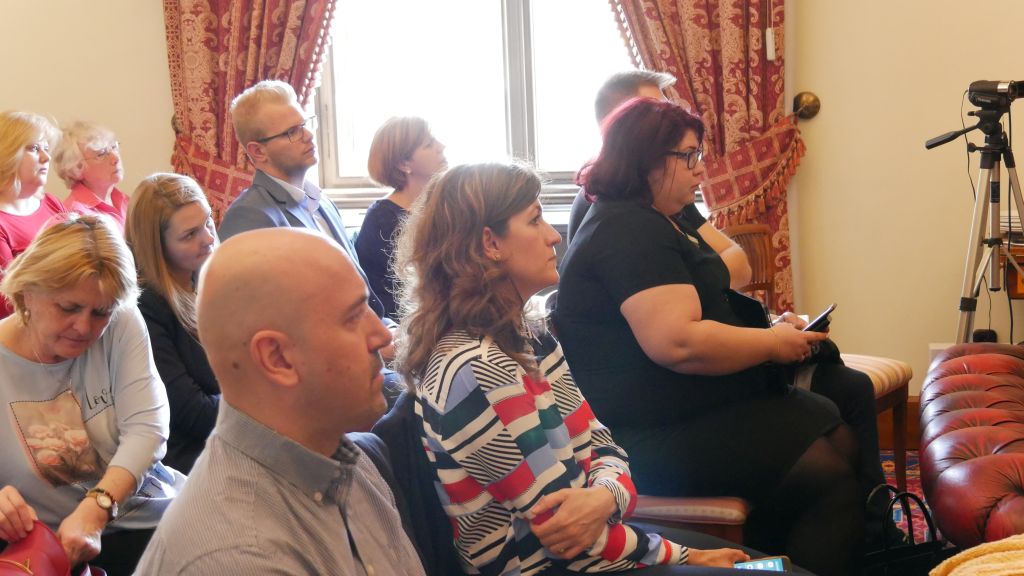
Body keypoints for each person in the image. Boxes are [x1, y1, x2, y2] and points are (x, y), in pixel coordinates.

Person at [395, 162, 755, 575]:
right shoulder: (474, 369)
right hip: (552, 567)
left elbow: (603, 446)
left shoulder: (529, 334)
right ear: (490, 243)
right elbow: (564, 534)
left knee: (772, 567)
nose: (553, 236)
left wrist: (605, 497)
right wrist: (684, 555)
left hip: (601, 546)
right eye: (535, 220)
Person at [554, 98, 865, 576]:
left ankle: (782, 560)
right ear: (647, 160)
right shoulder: (627, 229)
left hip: (682, 406)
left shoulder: (656, 216)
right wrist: (773, 344)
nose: (700, 169)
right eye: (689, 156)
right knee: (827, 473)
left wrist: (770, 332)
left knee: (833, 429)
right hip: (646, 433)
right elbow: (679, 344)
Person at [135, 228, 426, 575]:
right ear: (277, 358)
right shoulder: (239, 556)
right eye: (352, 318)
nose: (379, 335)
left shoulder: (344, 460)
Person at [0, 214, 183, 576]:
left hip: (146, 521)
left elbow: (147, 428)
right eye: (68, 308)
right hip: (46, 547)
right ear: (27, 292)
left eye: (100, 312)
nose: (84, 327)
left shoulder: (122, 321)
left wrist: (97, 507)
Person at [218, 80, 402, 402]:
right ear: (258, 152)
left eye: (305, 124)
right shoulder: (252, 218)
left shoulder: (321, 201)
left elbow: (359, 295)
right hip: (324, 377)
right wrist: (369, 347)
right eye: (292, 132)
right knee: (427, 399)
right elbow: (279, 328)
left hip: (370, 343)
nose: (308, 135)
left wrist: (391, 331)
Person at [125, 173, 219, 474]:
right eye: (190, 235)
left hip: (226, 434)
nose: (208, 238)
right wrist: (262, 403)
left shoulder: (205, 278)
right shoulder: (146, 307)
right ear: (156, 246)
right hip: (189, 457)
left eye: (208, 222)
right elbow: (191, 412)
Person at [566, 70, 677, 244]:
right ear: (621, 123)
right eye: (658, 114)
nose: (674, 122)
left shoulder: (658, 184)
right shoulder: (609, 202)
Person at [358, 116, 447, 319]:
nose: (442, 146)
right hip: (404, 321)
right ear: (403, 163)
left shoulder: (441, 206)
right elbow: (402, 294)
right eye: (429, 144)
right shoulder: (383, 218)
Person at [0, 111, 68, 319]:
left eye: (46, 148)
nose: (46, 157)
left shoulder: (52, 203)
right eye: (34, 148)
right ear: (7, 154)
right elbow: (8, 301)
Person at [53, 121, 129, 231]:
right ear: (76, 168)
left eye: (113, 147)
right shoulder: (76, 218)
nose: (115, 158)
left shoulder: (125, 200)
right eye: (101, 154)